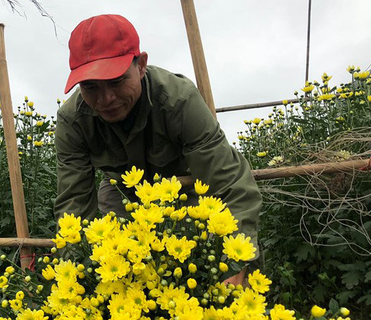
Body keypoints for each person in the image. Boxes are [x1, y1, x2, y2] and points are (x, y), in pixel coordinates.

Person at [54, 14, 263, 281]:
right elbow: (74, 203)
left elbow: (229, 182)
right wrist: (73, 272)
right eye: (90, 87)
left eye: (117, 81)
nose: (105, 99)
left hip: (185, 185)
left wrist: (236, 261)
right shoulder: (73, 120)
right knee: (120, 273)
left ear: (141, 66)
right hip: (123, 193)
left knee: (211, 265)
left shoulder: (179, 99)